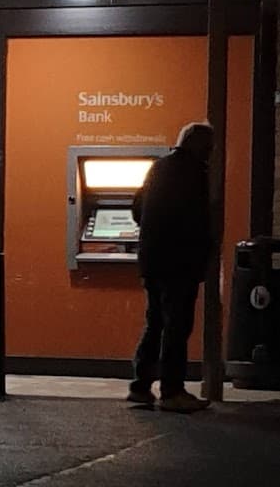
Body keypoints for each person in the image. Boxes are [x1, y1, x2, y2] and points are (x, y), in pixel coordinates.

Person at [127, 122, 215, 413]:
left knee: (155, 323)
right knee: (177, 326)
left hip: (152, 260)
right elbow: (197, 220)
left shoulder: (158, 167)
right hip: (180, 262)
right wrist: (204, 255)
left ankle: (140, 387)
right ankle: (172, 391)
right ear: (201, 146)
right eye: (209, 147)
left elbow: (137, 209)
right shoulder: (195, 174)